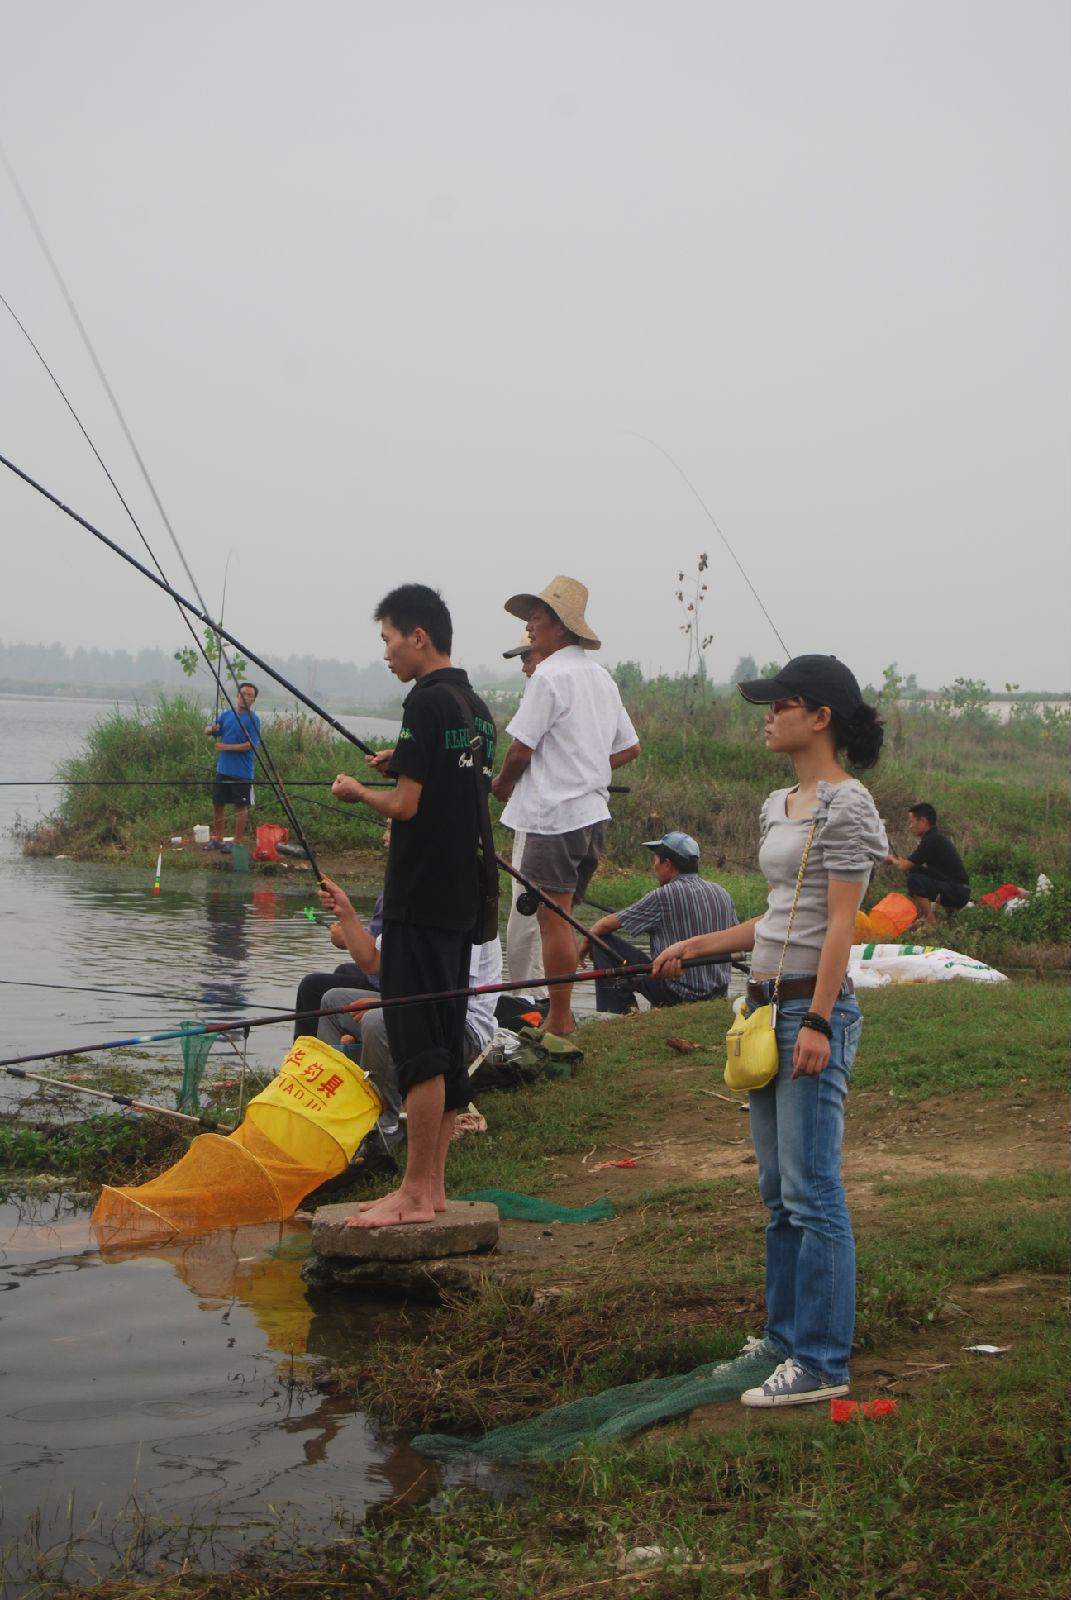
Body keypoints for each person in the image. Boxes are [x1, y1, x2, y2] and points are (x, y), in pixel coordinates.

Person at [652, 655, 887, 1407]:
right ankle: (783, 1339)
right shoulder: (776, 803)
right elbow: (781, 915)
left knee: (813, 1190)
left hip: (805, 1013)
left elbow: (839, 926)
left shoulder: (847, 808)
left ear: (818, 717)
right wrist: (698, 945)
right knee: (776, 1190)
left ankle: (821, 1361)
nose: (766, 715)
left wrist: (818, 1018)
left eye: (778, 703)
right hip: (759, 1007)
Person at [330, 583, 496, 1227]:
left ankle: (414, 1192)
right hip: (462, 897)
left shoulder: (425, 700)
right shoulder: (473, 706)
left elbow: (406, 805)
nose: (386, 654)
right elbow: (451, 774)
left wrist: (359, 791)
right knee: (445, 1042)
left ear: (417, 636)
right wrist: (402, 760)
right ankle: (433, 1188)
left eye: (388, 640)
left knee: (420, 1044)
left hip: (420, 895)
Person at [491, 576, 640, 1039]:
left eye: (535, 618)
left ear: (560, 625)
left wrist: (500, 786)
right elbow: (628, 746)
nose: (530, 628)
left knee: (552, 923)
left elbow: (519, 750)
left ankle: (558, 1017)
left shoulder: (550, 675)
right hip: (592, 817)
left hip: (554, 819)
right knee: (564, 916)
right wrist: (588, 769)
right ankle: (559, 1008)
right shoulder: (601, 678)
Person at [578, 831, 738, 1013]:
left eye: (655, 860)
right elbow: (734, 938)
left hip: (677, 993)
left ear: (667, 864)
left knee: (600, 941)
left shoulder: (665, 895)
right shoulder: (722, 893)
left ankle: (622, 1012)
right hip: (718, 992)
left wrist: (586, 942)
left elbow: (605, 925)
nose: (654, 867)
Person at [291, 828, 388, 1042]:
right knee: (343, 970)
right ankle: (347, 1039)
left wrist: (346, 932)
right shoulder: (399, 878)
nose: (384, 836)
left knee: (312, 987)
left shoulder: (403, 887)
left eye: (390, 829)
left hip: (394, 984)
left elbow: (373, 959)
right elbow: (378, 941)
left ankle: (304, 1056)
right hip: (386, 975)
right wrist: (345, 914)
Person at [501, 631, 547, 1003]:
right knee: (540, 916)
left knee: (526, 918)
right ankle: (537, 998)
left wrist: (500, 784)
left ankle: (532, 1001)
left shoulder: (545, 687)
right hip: (541, 819)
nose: (524, 667)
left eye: (528, 658)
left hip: (539, 821)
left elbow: (518, 752)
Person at [886, 803, 970, 929]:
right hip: (956, 888)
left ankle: (930, 921)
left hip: (957, 892)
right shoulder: (934, 838)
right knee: (915, 870)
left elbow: (904, 866)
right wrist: (900, 862)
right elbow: (909, 865)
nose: (910, 826)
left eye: (912, 821)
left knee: (913, 879)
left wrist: (891, 859)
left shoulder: (932, 840)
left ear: (923, 821)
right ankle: (931, 914)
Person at [203, 681, 260, 851]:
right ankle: (218, 839)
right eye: (243, 693)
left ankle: (236, 842)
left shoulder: (253, 720)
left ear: (253, 700)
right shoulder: (227, 715)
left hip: (242, 771)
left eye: (250, 695)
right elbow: (208, 730)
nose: (245, 697)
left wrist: (225, 747)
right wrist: (211, 729)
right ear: (237, 696)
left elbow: (250, 746)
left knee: (240, 807)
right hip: (223, 769)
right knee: (218, 804)